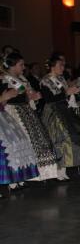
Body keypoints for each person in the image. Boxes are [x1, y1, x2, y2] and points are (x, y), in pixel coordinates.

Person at [1, 52, 58, 181]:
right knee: (19, 144)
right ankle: (17, 179)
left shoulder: (21, 79)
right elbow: (5, 98)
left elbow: (24, 97)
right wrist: (7, 97)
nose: (23, 67)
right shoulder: (4, 79)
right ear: (12, 65)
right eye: (21, 65)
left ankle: (36, 174)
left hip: (25, 111)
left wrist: (32, 97)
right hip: (12, 113)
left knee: (36, 141)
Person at [39, 54, 80, 180]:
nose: (63, 68)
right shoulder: (45, 81)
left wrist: (73, 93)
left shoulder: (61, 79)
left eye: (63, 65)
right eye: (60, 65)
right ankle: (60, 169)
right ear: (52, 66)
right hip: (54, 112)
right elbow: (49, 99)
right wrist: (66, 93)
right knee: (60, 138)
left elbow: (65, 94)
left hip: (66, 109)